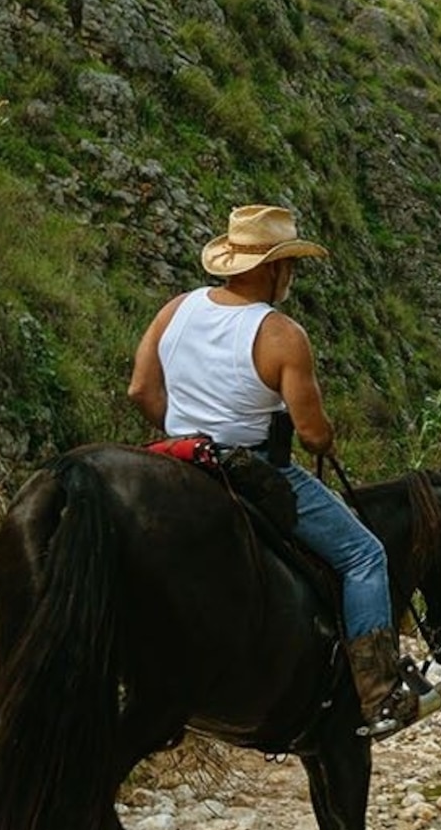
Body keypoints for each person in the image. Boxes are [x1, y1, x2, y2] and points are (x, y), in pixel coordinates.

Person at [128, 203, 414, 736]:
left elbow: (140, 390)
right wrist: (327, 436)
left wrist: (187, 428)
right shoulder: (281, 335)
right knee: (363, 554)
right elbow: (311, 434)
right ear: (270, 267)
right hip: (249, 467)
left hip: (176, 458)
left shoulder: (176, 310)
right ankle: (380, 694)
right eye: (289, 264)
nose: (292, 276)